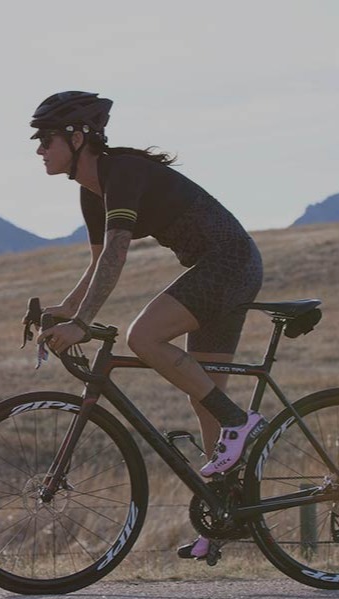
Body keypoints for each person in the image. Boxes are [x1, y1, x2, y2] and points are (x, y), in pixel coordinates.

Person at [31, 91, 266, 560]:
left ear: (78, 138)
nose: (39, 150)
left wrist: (82, 323)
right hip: (219, 267)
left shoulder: (121, 174)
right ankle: (227, 516)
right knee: (204, 402)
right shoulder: (90, 191)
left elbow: (118, 254)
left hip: (228, 264)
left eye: (46, 139)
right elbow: (98, 261)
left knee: (143, 337)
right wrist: (65, 309)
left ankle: (242, 422)